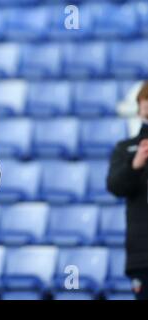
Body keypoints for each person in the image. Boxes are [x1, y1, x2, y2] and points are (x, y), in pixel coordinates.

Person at [107, 81, 148, 300]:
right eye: (144, 99)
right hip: (142, 253)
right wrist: (136, 165)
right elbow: (114, 186)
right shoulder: (126, 147)